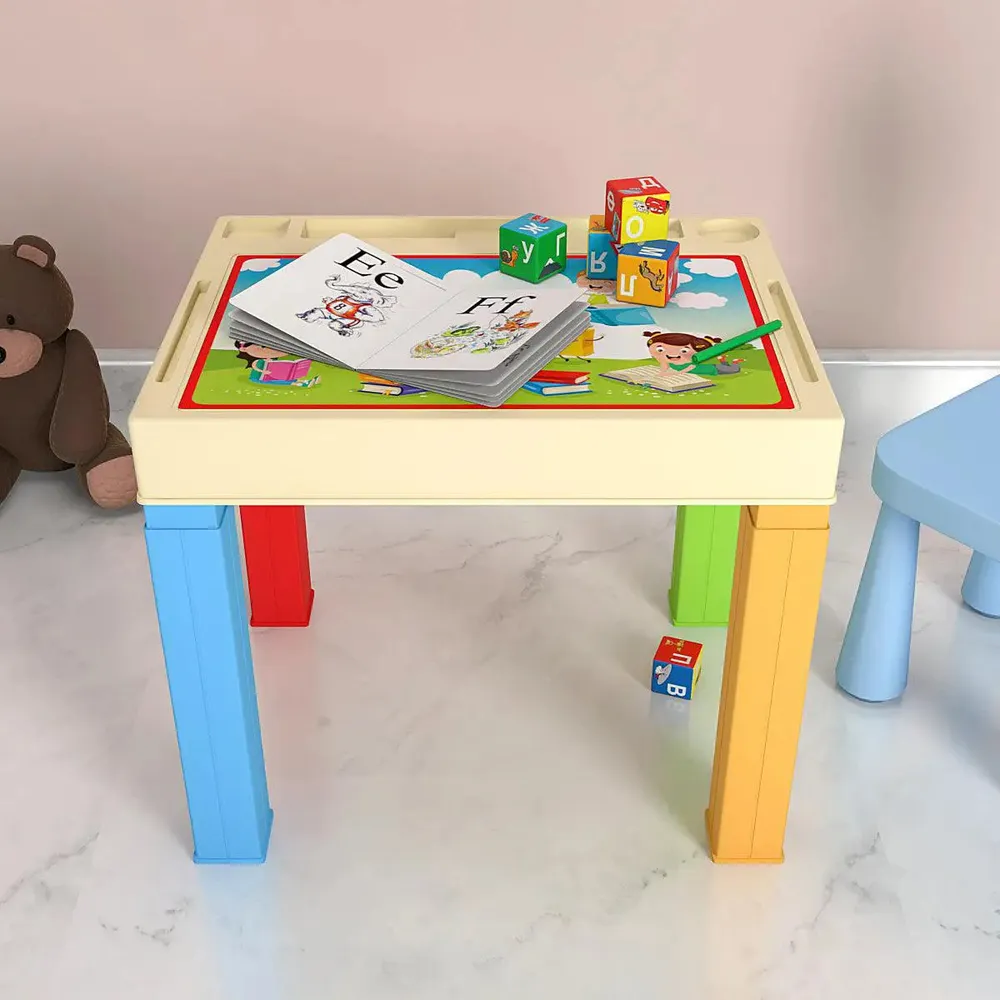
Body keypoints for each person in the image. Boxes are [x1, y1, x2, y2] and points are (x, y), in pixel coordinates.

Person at [642, 331, 740, 376]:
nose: (672, 354)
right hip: (713, 368)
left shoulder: (691, 363)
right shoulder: (667, 361)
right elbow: (664, 366)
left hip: (713, 369)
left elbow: (683, 371)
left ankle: (735, 362)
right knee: (727, 367)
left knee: (734, 369)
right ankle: (723, 361)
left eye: (684, 351)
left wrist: (671, 374)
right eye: (660, 350)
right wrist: (661, 373)